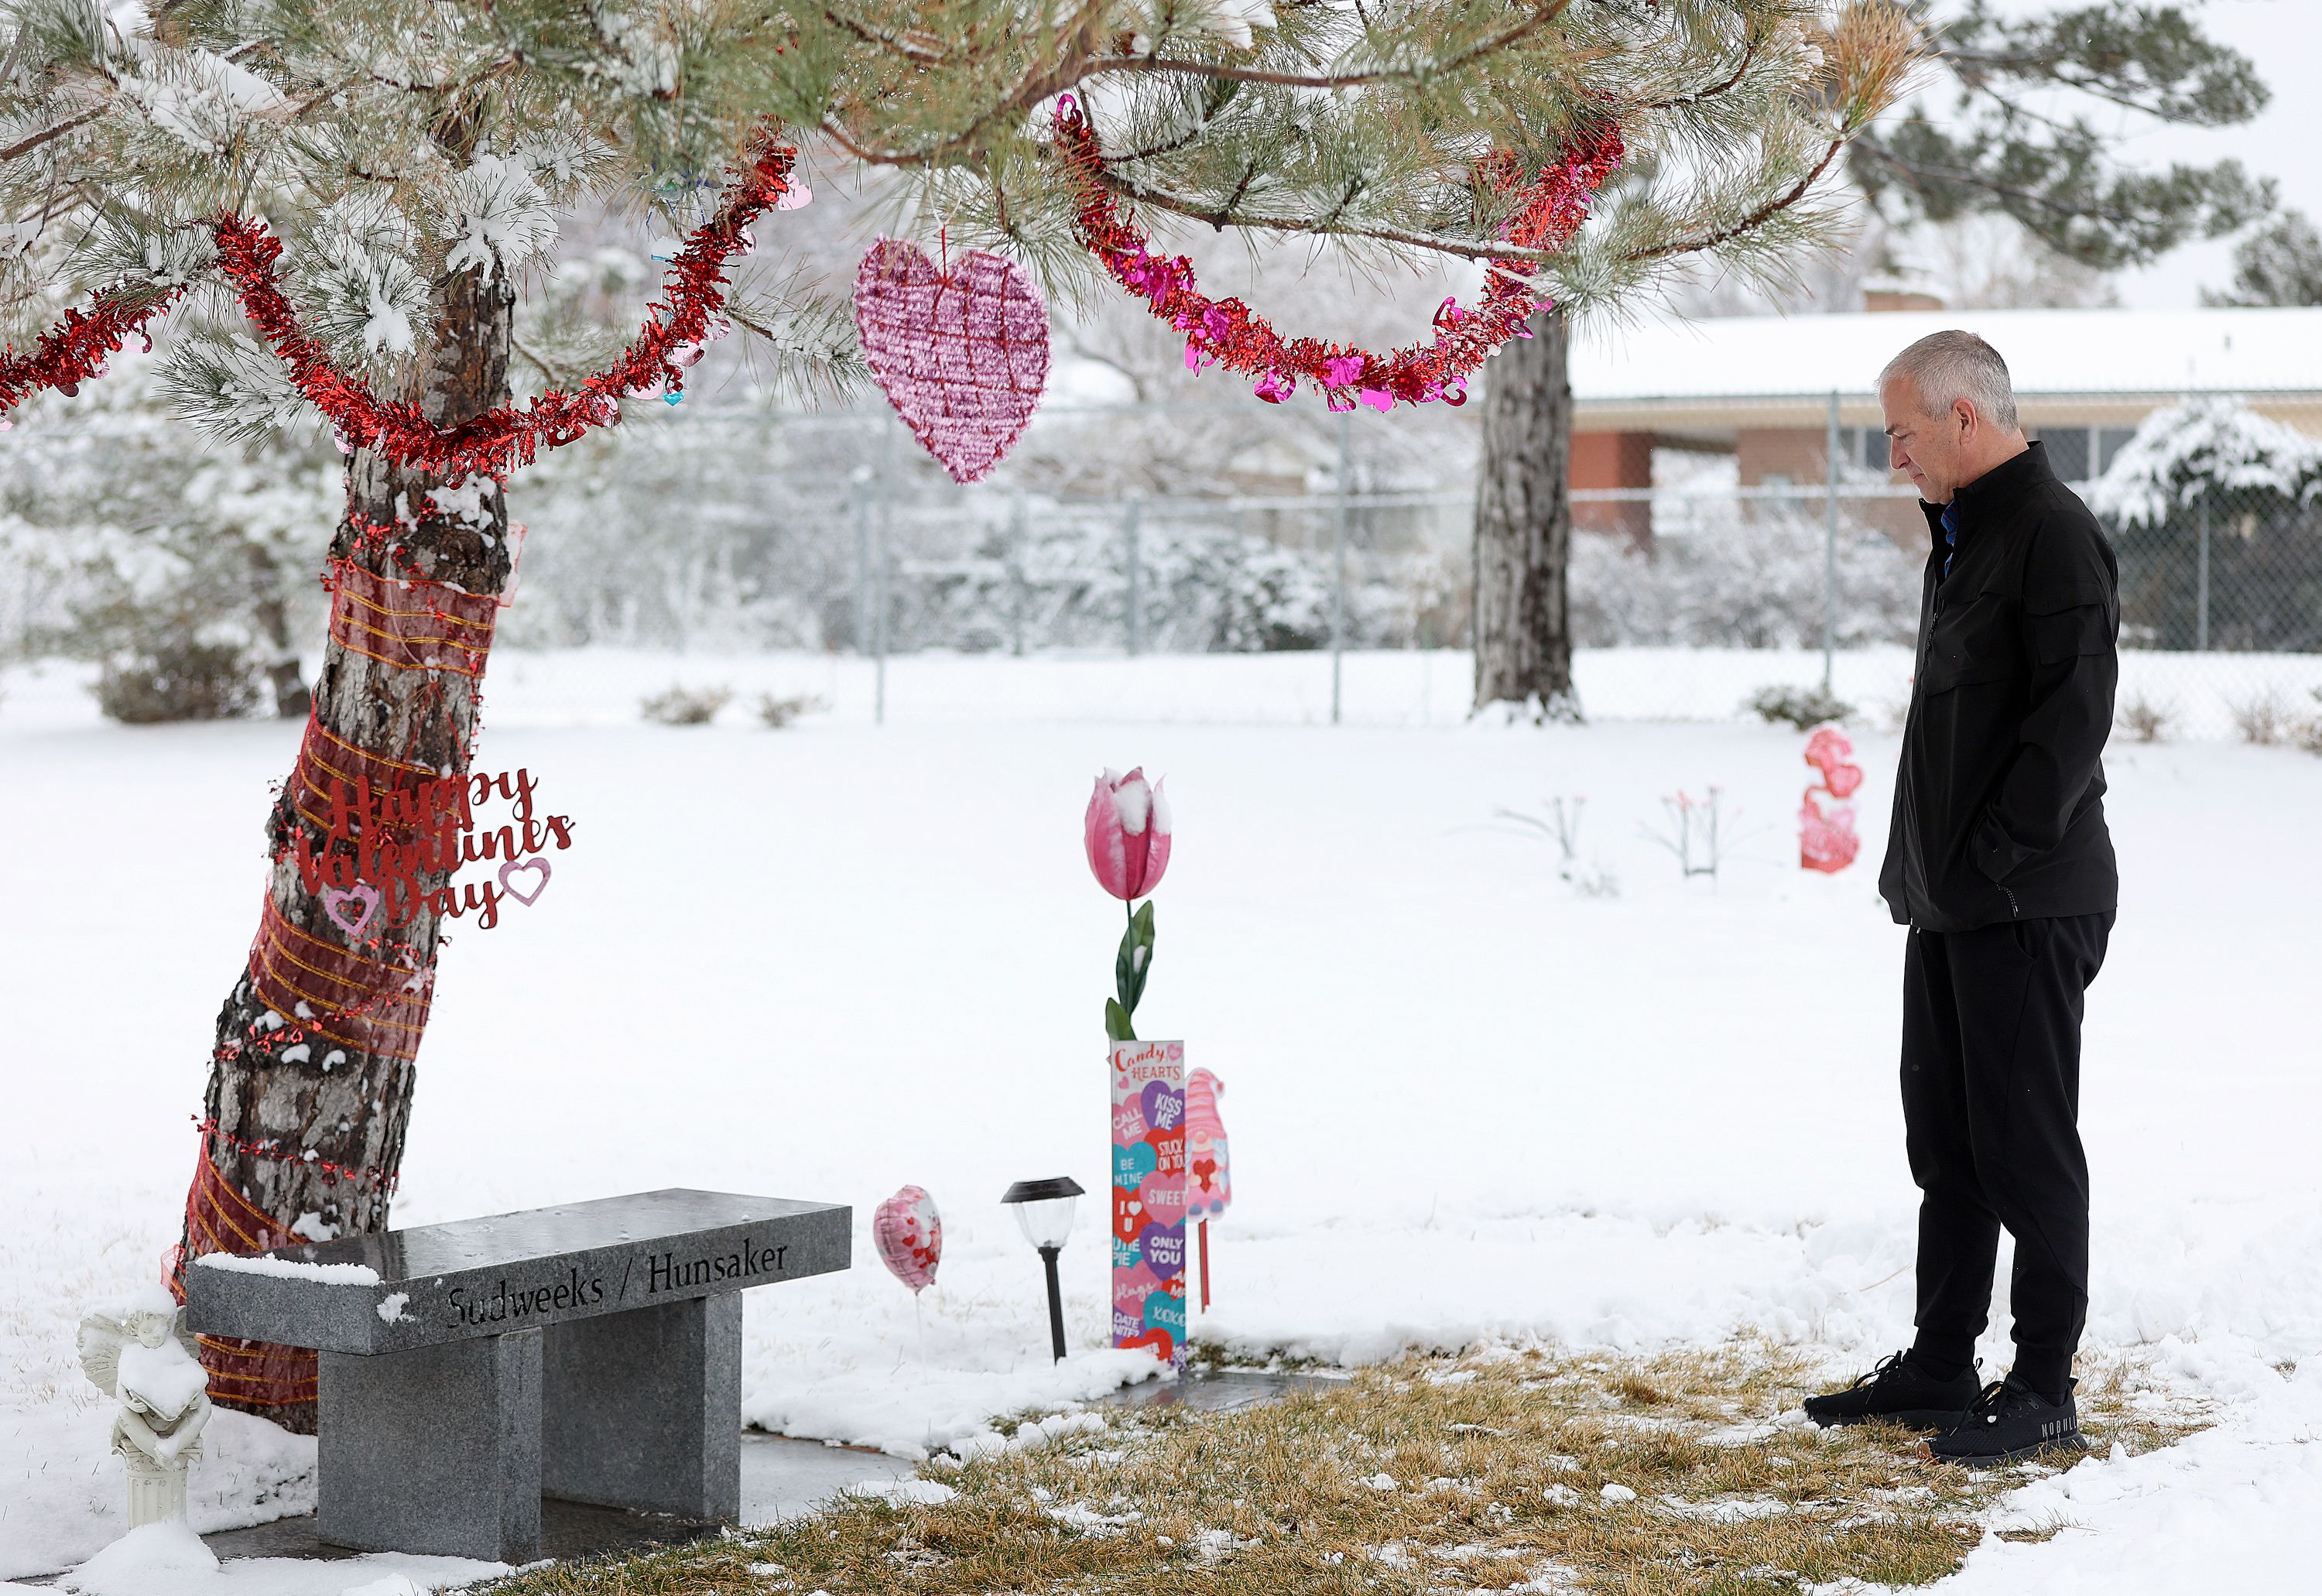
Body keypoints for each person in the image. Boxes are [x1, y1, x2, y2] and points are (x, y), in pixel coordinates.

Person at [1802, 331, 2120, 1468]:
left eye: (1902, 433)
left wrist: (1987, 865)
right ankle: (1942, 1363)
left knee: (2025, 1144)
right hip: (1952, 903)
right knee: (1946, 1140)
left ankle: (2042, 1386)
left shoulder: (2052, 537)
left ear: (1965, 419)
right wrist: (1926, 877)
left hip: (2026, 901)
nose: (1893, 456)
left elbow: (2067, 733)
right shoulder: (1960, 537)